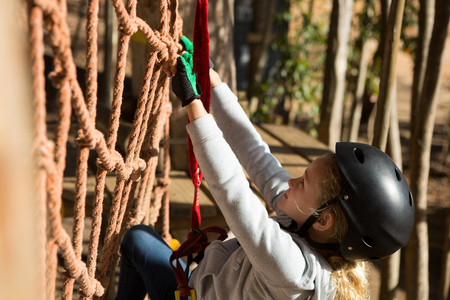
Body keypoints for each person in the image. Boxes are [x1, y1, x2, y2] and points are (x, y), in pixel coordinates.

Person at [114, 37, 415, 300]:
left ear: (324, 220)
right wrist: (210, 80)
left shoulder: (292, 271)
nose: (291, 181)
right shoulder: (308, 225)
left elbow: (233, 192)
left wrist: (193, 103)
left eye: (303, 182)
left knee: (137, 239)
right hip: (205, 283)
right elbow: (257, 156)